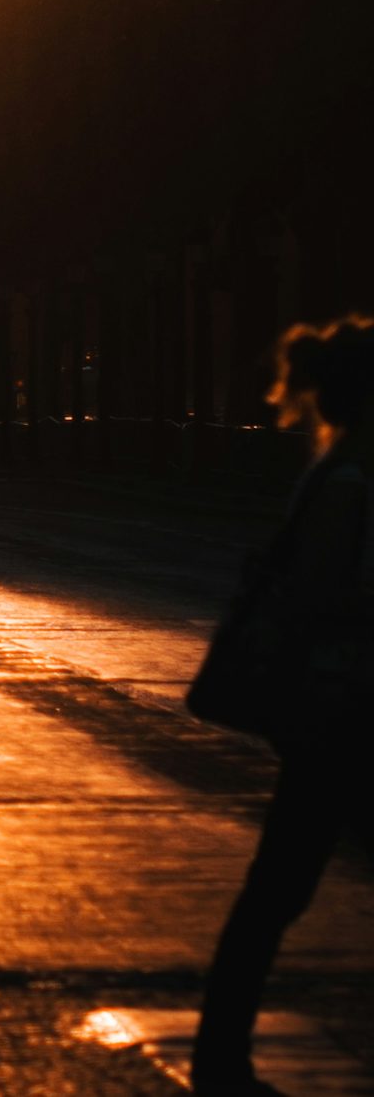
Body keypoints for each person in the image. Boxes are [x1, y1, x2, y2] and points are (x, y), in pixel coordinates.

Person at [192, 315, 374, 1094]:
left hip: (339, 709)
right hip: (341, 712)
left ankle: (221, 1048)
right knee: (279, 885)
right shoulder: (349, 485)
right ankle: (220, 1052)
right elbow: (318, 601)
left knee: (281, 883)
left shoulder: (341, 475)